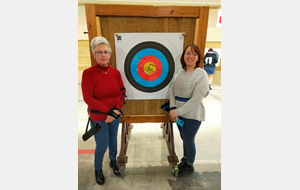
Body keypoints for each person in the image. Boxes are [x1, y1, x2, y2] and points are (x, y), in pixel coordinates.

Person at [81, 36, 126, 185]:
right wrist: (109, 111)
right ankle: (97, 168)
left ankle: (113, 161)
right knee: (102, 144)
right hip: (99, 117)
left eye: (106, 52)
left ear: (110, 54)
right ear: (94, 55)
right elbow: (88, 98)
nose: (103, 55)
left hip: (114, 115)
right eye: (99, 52)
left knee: (113, 139)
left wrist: (116, 111)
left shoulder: (115, 73)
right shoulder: (88, 73)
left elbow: (122, 91)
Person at [168, 44, 209, 177]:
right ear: (183, 56)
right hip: (179, 113)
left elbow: (196, 99)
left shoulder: (201, 74)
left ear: (198, 58)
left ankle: (190, 165)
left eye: (194, 54)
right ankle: (185, 160)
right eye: (188, 53)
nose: (190, 56)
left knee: (189, 140)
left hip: (192, 114)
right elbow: (172, 90)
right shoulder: (180, 72)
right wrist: (173, 108)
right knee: (184, 138)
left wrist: (176, 112)